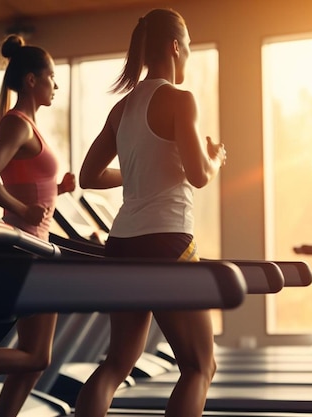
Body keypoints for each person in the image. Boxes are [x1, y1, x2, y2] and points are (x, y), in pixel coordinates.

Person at [74, 8, 227, 417]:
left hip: (121, 244)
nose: (190, 54)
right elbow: (198, 176)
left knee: (116, 364)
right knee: (199, 366)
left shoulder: (121, 109)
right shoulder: (181, 100)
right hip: (167, 240)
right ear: (176, 47)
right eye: (190, 46)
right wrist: (214, 158)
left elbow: (88, 176)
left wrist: (140, 169)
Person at [0, 34, 76, 417]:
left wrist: (59, 192)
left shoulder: (29, 126)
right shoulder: (17, 124)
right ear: (32, 80)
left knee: (36, 359)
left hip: (37, 248)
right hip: (25, 250)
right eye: (51, 77)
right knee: (36, 355)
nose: (56, 85)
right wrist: (20, 208)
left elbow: (32, 195)